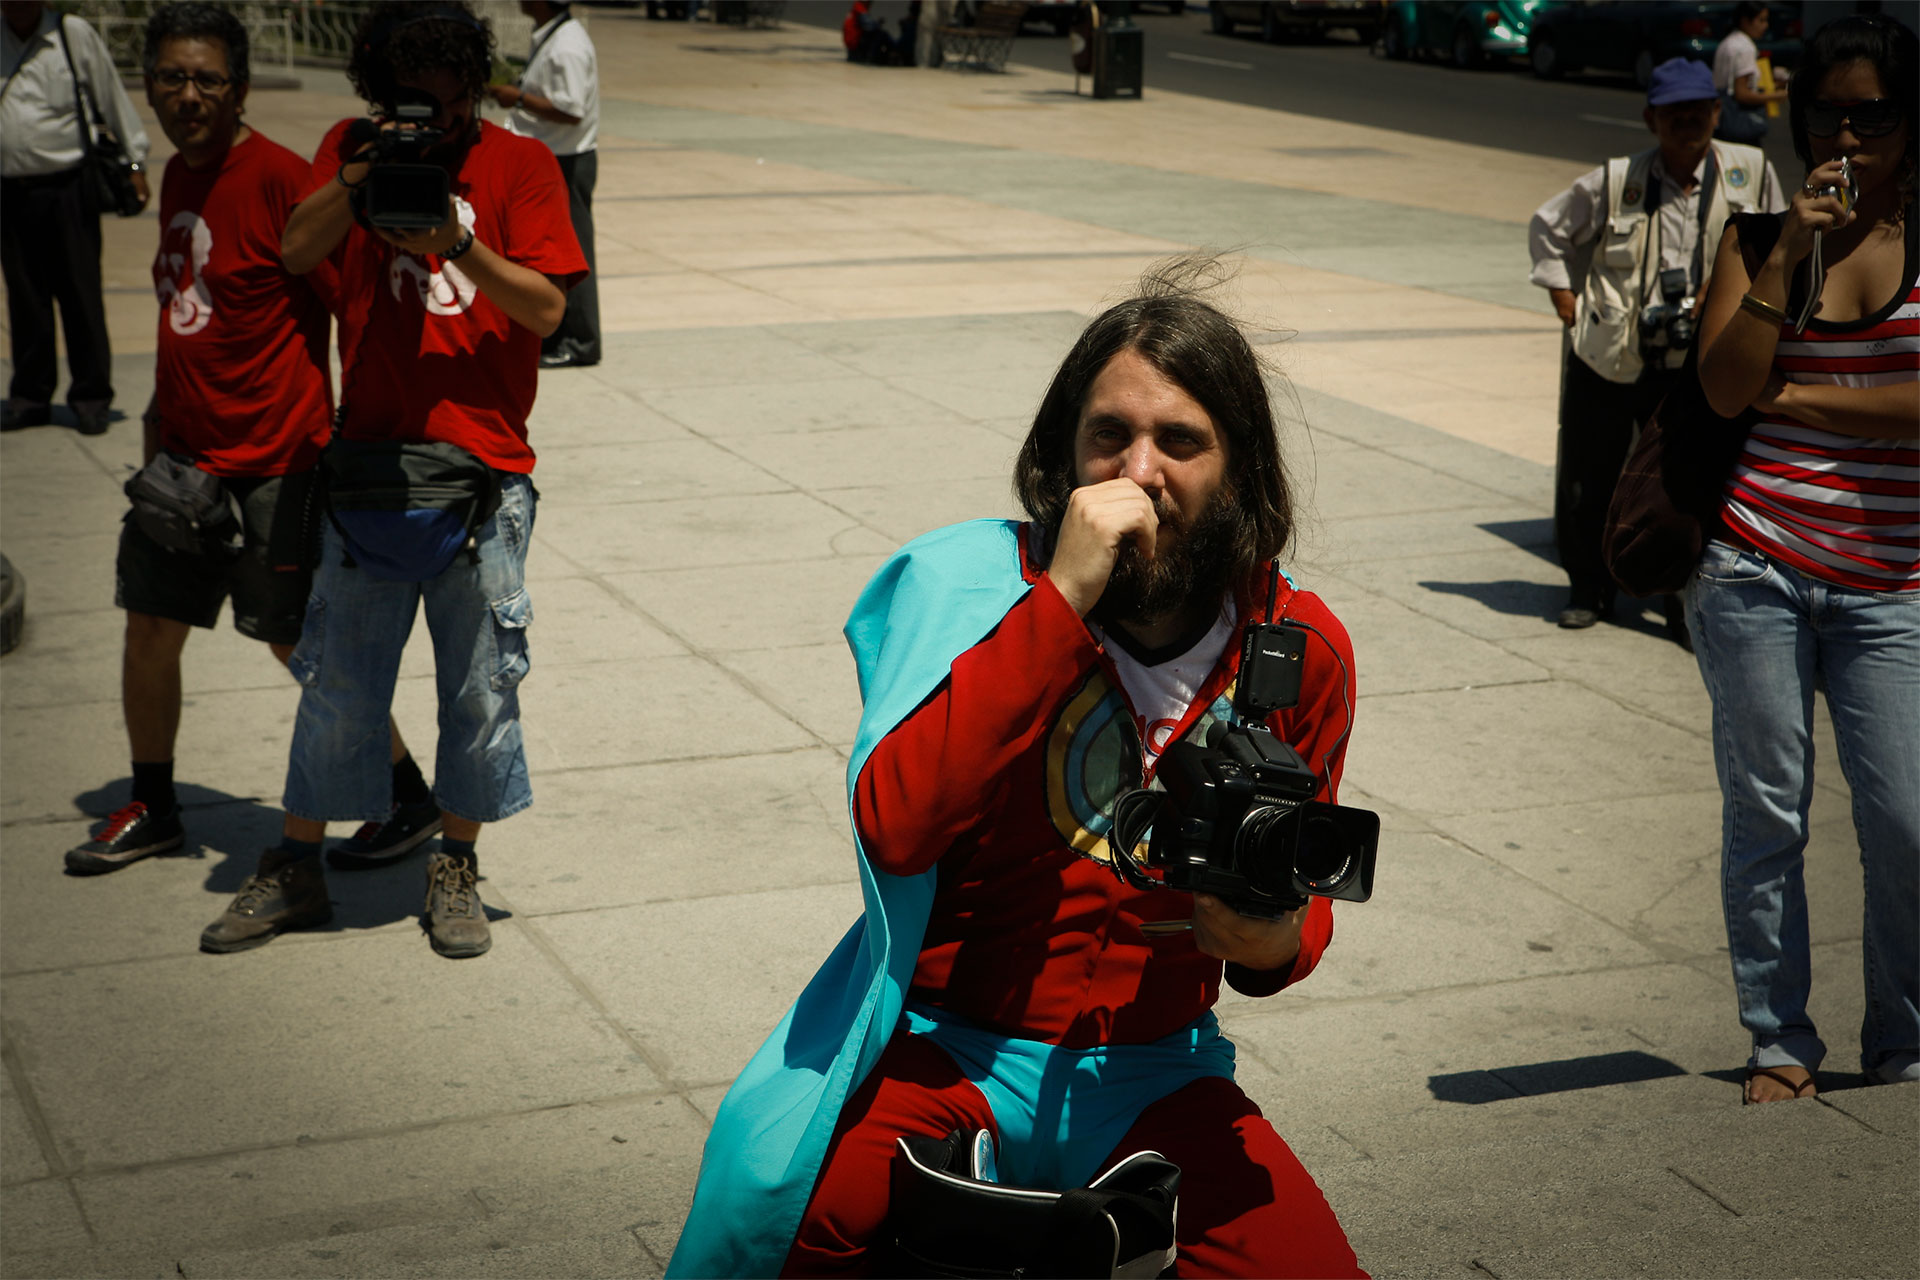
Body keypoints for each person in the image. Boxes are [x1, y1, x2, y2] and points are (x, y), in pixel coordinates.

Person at [669, 270, 1367, 1279]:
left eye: (1180, 441)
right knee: (791, 1224)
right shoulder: (970, 591)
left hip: (1158, 1064)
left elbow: (1301, 897)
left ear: (1239, 467)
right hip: (950, 1044)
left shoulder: (1300, 647)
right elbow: (896, 826)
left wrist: (1272, 938)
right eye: (1108, 435)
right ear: (1061, 455)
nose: (1139, 471)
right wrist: (1060, 602)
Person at [198, 0, 586, 959]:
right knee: (339, 686)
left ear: (468, 92)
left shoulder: (521, 166)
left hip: (487, 474)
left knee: (481, 689)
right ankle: (294, 865)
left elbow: (545, 309)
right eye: (408, 105)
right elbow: (295, 248)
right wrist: (362, 173)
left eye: (444, 110)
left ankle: (454, 862)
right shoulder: (349, 146)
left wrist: (457, 244)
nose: (428, 125)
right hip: (368, 469)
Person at [1692, 14, 1918, 1105]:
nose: (1845, 134)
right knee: (1769, 809)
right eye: (1825, 111)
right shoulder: (1753, 240)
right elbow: (1727, 386)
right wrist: (1789, 253)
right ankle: (1780, 1037)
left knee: (1906, 817)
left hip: (1894, 580)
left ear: (1909, 125)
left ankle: (1904, 1032)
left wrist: (1807, 395)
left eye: (1871, 114)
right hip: (1755, 565)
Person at [59, 5, 335, 874]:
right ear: (150, 89)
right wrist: (152, 426)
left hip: (276, 460)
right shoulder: (179, 176)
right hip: (183, 460)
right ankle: (154, 804)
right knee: (150, 629)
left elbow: (350, 306)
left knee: (302, 648)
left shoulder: (284, 179)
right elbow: (192, 307)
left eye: (207, 79)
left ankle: (399, 791)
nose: (189, 95)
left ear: (241, 89)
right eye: (172, 78)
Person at [1529, 57, 1785, 634]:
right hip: (1612, 351)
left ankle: (1677, 598)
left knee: (1687, 478)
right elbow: (1548, 225)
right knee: (1589, 476)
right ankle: (1588, 589)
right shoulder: (1619, 178)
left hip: (1700, 355)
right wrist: (1562, 292)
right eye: (1674, 113)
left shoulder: (1750, 171)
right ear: (1651, 118)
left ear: (1717, 112)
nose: (1687, 122)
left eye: (1698, 110)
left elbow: (1778, 243)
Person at [0, 0, 149, 435]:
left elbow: (111, 96)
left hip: (68, 187)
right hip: (10, 189)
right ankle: (30, 395)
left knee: (80, 292)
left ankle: (91, 396)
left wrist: (135, 162)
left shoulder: (72, 34)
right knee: (25, 296)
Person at [487, 0, 600, 369]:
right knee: (553, 252)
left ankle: (580, 341)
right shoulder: (552, 37)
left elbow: (571, 110)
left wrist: (516, 98)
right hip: (553, 155)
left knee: (572, 253)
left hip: (567, 159)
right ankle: (557, 337)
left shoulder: (566, 45)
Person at [1713, 2, 1789, 145]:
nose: (1765, 25)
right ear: (1745, 21)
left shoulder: (1728, 42)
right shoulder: (1745, 48)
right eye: (1761, 20)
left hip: (1722, 118)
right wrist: (1777, 96)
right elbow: (1742, 94)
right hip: (1739, 124)